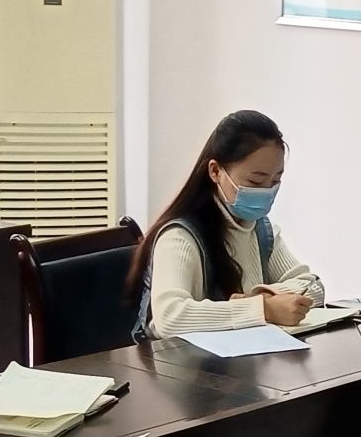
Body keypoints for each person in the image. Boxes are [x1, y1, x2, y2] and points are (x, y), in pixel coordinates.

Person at [129, 109, 325, 341]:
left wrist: (262, 296)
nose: (266, 191)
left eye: (275, 181)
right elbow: (169, 318)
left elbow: (313, 286)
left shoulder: (261, 230)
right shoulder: (180, 236)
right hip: (180, 361)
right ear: (215, 171)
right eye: (255, 181)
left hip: (244, 357)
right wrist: (264, 309)